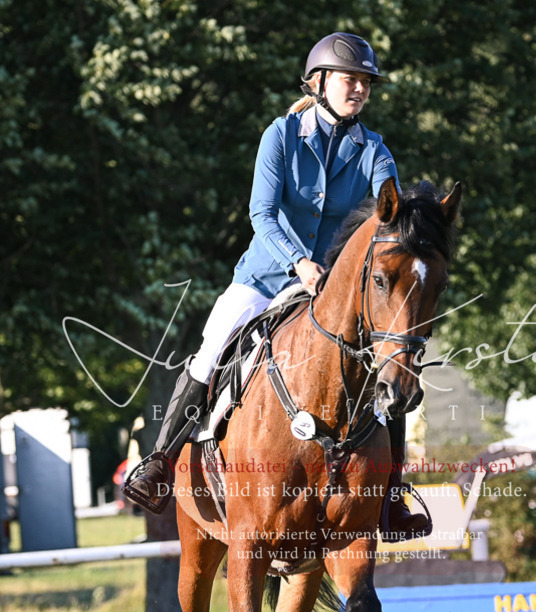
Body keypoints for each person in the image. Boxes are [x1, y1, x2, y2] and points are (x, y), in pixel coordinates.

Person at [123, 32, 429, 539]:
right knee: (211, 347)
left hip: (335, 294)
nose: (359, 90)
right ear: (320, 82)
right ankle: (159, 463)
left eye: (365, 83)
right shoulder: (281, 136)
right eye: (350, 80)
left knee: (384, 375)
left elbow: (387, 214)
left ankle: (392, 498)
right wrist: (301, 263)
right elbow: (260, 214)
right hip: (266, 279)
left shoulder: (375, 152)